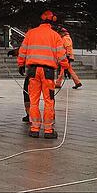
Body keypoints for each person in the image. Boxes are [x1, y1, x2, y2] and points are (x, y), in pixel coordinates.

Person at [17, 10, 69, 139]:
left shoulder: (31, 33)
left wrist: (21, 64)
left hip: (33, 71)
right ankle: (48, 130)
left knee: (33, 101)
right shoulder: (55, 36)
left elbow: (22, 51)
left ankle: (34, 129)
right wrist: (66, 67)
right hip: (48, 72)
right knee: (48, 101)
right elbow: (61, 55)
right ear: (52, 21)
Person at [56, 25, 82, 89]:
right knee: (69, 70)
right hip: (66, 57)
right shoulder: (65, 38)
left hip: (66, 57)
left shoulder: (65, 38)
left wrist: (68, 56)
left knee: (62, 70)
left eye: (59, 33)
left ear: (62, 32)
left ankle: (58, 84)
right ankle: (77, 82)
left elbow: (68, 47)